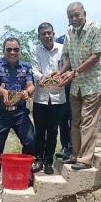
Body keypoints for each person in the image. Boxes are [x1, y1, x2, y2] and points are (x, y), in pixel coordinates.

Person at [56, 2, 101, 170]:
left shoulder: (96, 28)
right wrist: (60, 73)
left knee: (88, 119)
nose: (74, 19)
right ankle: (75, 155)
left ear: (84, 14)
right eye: (71, 16)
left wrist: (74, 72)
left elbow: (95, 56)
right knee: (76, 119)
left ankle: (86, 158)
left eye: (77, 15)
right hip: (77, 83)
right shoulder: (68, 33)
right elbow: (68, 58)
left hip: (94, 81)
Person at [0, 37, 35, 197]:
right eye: (9, 49)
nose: (13, 52)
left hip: (20, 113)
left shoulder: (26, 66)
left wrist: (28, 92)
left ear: (20, 50)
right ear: (3, 51)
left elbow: (31, 85)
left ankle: (25, 177)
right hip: (0, 114)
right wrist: (4, 92)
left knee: (30, 141)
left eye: (16, 49)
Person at [31, 22, 65, 175]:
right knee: (39, 130)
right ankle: (38, 159)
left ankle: (48, 161)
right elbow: (34, 69)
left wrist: (60, 76)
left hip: (58, 97)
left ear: (53, 33)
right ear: (39, 36)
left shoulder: (63, 49)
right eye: (43, 34)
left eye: (49, 33)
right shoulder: (35, 49)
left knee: (52, 131)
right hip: (41, 97)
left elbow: (67, 68)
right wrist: (42, 78)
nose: (47, 36)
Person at [54, 35, 73, 161]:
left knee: (74, 120)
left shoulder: (74, 55)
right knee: (62, 120)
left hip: (73, 89)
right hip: (61, 91)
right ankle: (65, 146)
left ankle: (71, 148)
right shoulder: (58, 57)